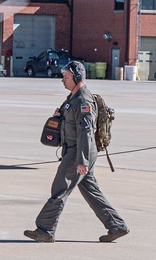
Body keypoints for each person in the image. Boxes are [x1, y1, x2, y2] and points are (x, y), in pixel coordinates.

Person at [24, 61, 129, 243]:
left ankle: (45, 229)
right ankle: (116, 226)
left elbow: (86, 133)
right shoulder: (74, 99)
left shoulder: (83, 101)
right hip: (78, 152)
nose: (62, 80)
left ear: (77, 77)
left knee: (60, 189)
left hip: (79, 152)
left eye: (66, 77)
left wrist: (82, 161)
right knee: (91, 191)